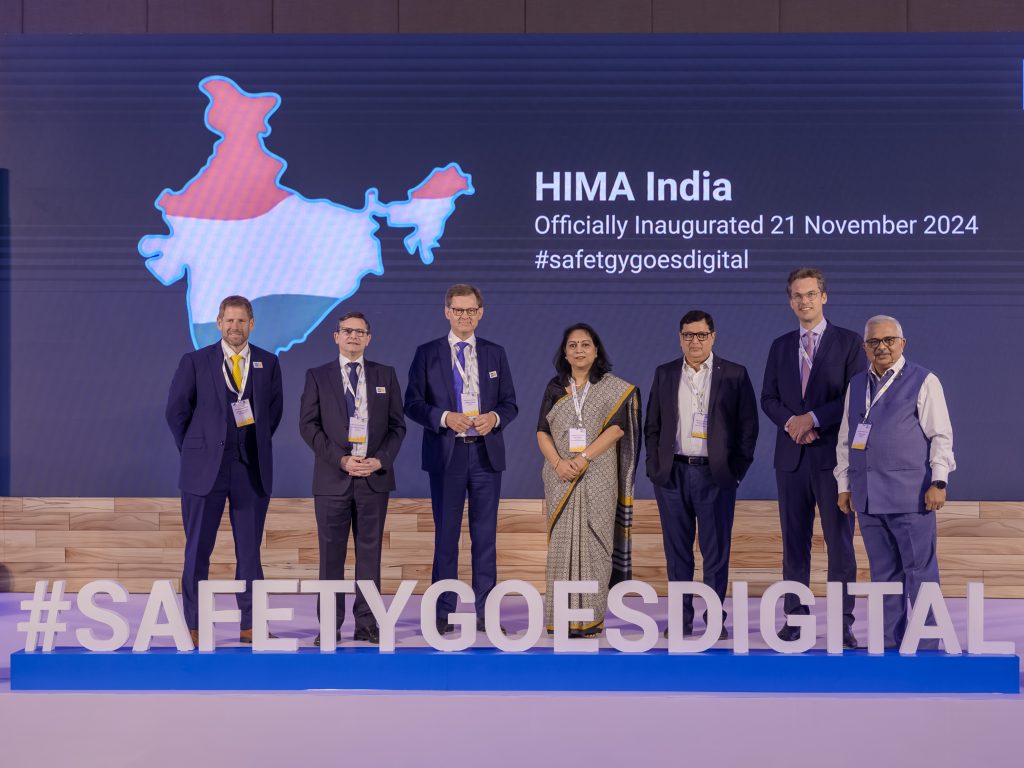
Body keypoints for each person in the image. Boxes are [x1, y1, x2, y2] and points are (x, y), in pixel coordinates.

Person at [165, 295, 283, 645]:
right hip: (204, 471)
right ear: (219, 323)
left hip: (250, 469)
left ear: (252, 324)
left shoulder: (268, 363)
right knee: (198, 550)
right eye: (229, 320)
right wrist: (196, 450)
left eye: (241, 321)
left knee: (249, 552)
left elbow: (273, 414)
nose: (235, 327)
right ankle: (194, 624)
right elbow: (176, 412)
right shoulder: (195, 361)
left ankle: (251, 625)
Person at [835, 315, 955, 648]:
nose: (882, 347)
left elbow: (941, 435)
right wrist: (844, 486)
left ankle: (927, 648)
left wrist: (939, 482)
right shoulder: (856, 384)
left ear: (903, 343)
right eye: (874, 342)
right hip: (867, 499)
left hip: (911, 497)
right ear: (865, 347)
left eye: (889, 340)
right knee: (884, 576)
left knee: (920, 574)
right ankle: (890, 644)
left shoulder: (924, 380)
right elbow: (846, 439)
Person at [404, 284, 518, 634]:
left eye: (470, 310)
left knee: (485, 538)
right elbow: (412, 403)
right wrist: (443, 417)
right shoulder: (427, 353)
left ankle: (486, 613)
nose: (464, 316)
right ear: (446, 312)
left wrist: (493, 418)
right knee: (446, 538)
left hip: (485, 456)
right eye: (458, 310)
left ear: (480, 313)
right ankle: (443, 613)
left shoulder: (495, 353)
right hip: (446, 455)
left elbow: (510, 404)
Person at [761, 268, 864, 648]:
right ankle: (795, 620)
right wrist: (793, 422)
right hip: (790, 460)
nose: (804, 301)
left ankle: (842, 622)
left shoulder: (849, 342)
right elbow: (768, 398)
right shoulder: (780, 346)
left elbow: (855, 397)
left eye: (810, 294)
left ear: (824, 297)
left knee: (840, 545)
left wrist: (814, 418)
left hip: (832, 460)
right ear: (790, 302)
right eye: (797, 295)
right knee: (794, 545)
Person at [645, 310, 758, 640]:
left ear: (713, 337)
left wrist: (734, 472)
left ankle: (714, 621)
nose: (694, 341)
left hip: (715, 476)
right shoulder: (665, 373)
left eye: (701, 335)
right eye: (688, 335)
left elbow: (748, 428)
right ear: (680, 338)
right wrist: (655, 468)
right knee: (677, 554)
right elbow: (653, 426)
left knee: (715, 553)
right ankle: (680, 619)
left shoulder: (734, 374)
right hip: (672, 475)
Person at [299, 312, 406, 645]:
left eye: (360, 332)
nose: (353, 336)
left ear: (368, 339)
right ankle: (329, 626)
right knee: (331, 557)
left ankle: (368, 624)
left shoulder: (385, 375)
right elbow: (308, 426)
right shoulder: (317, 376)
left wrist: (380, 460)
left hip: (374, 478)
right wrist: (341, 459)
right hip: (333, 480)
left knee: (370, 556)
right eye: (347, 331)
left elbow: (397, 427)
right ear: (336, 336)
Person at [536, 323, 640, 637]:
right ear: (565, 353)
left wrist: (583, 458)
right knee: (560, 547)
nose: (579, 350)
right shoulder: (555, 387)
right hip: (561, 476)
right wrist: (558, 463)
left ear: (596, 351)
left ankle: (590, 620)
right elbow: (541, 431)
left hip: (598, 475)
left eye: (585, 344)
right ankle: (561, 619)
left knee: (596, 544)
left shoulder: (612, 388)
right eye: (573, 345)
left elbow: (618, 429)